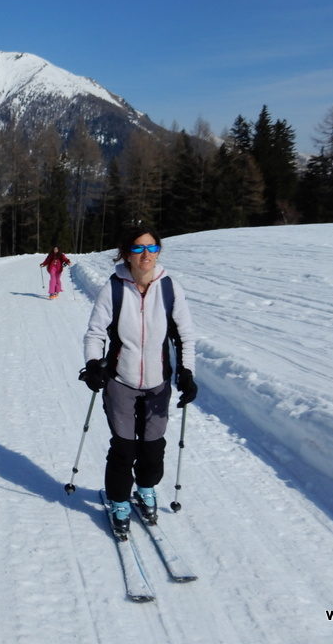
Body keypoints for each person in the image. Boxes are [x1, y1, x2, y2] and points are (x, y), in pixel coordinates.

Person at [80, 225, 197, 535]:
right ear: (126, 254)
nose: (146, 254)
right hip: (121, 380)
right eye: (138, 248)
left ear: (158, 251)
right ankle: (119, 501)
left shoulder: (170, 288)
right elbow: (95, 332)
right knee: (124, 448)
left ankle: (145, 488)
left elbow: (184, 335)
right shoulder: (115, 288)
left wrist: (186, 373)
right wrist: (93, 364)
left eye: (152, 248)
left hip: (158, 383)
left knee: (153, 448)